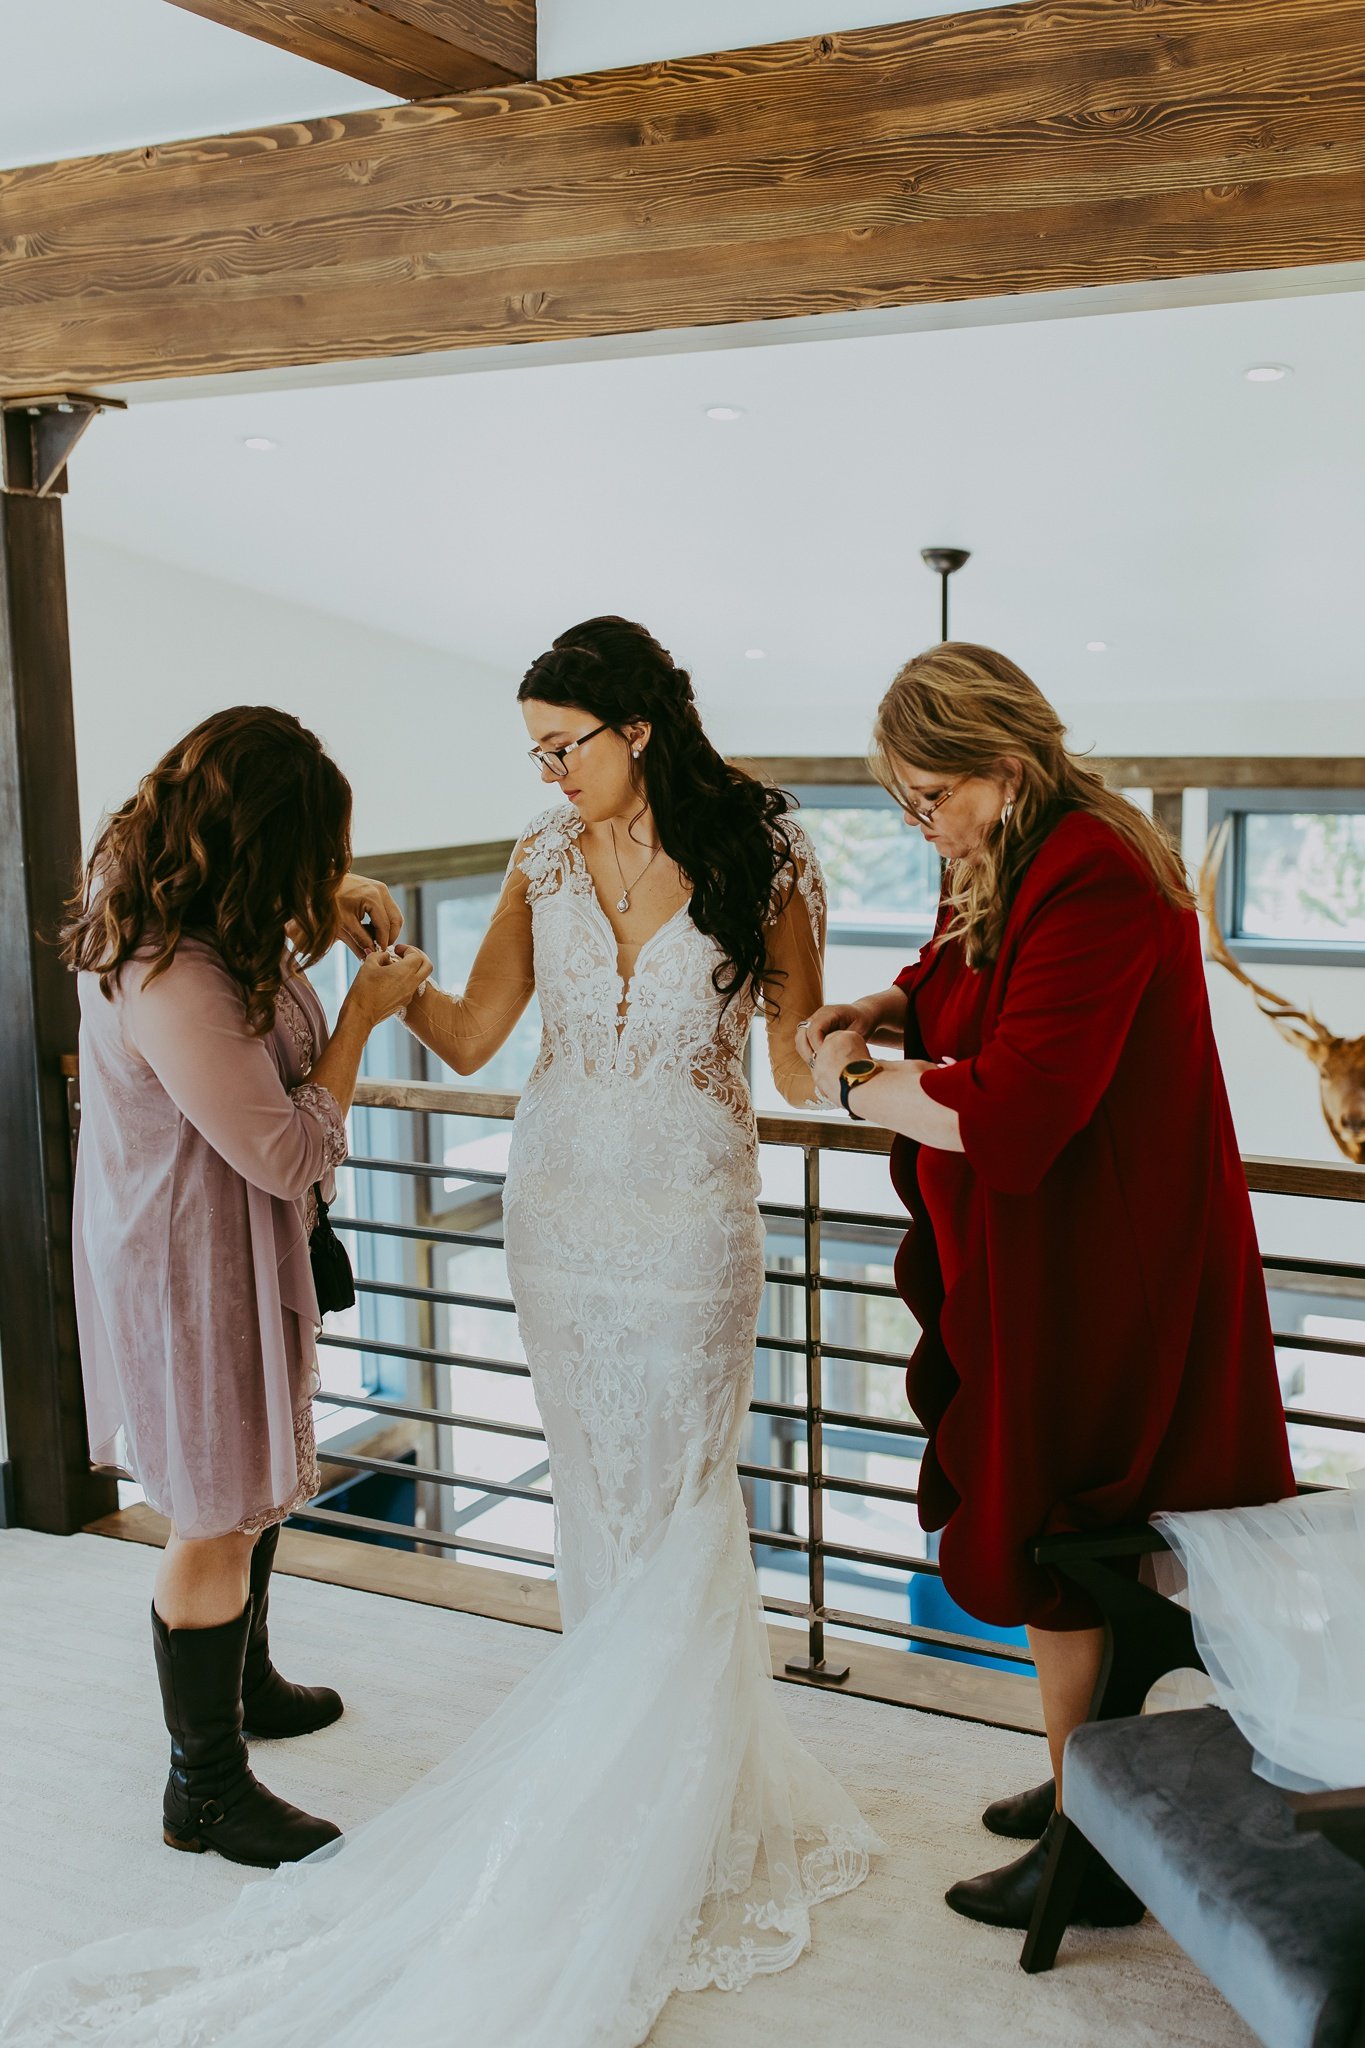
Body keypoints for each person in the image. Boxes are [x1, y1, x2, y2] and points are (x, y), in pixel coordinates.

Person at [3, 624, 876, 2048]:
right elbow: (471, 1039)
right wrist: (384, 964)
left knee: (682, 1503)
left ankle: (685, 1786)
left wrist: (858, 1059)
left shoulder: (765, 855)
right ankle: (605, 1776)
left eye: (561, 744)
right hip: (560, 1220)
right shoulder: (539, 859)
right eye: (532, 749)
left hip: (691, 1223)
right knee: (596, 1501)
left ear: (637, 727)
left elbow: (786, 1056)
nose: (544, 770)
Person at [798, 641, 1295, 1933]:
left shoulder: (1097, 871)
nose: (922, 828)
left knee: (1061, 1527)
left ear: (1003, 765)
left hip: (1102, 1264)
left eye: (931, 798)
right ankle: (1089, 1777)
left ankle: (1091, 1831)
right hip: (1044, 1252)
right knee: (1052, 1522)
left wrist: (858, 1086)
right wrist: (874, 1007)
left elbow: (1016, 1111)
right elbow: (948, 982)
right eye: (904, 804)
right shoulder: (1007, 858)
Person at [57, 706, 431, 1869]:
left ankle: (244, 1679)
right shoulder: (174, 973)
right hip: (190, 1266)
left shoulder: (188, 907)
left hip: (232, 1246)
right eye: (307, 858)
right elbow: (284, 1149)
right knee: (215, 1510)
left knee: (250, 1481)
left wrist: (320, 900)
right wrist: (365, 1019)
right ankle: (203, 1788)